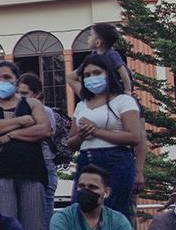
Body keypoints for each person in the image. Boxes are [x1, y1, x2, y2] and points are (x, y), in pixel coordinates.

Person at [0, 60, 53, 230]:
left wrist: (10, 135)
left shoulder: (32, 104)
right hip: (0, 174)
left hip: (31, 173)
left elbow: (44, 130)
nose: (1, 81)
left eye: (7, 77)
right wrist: (20, 122)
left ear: (16, 80)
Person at [62, 54, 144, 217]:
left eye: (97, 73)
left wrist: (97, 132)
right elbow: (70, 142)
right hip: (87, 160)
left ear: (108, 74)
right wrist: (81, 136)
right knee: (81, 212)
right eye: (87, 75)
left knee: (113, 213)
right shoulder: (82, 105)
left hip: (117, 160)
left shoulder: (123, 101)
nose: (92, 78)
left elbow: (135, 137)